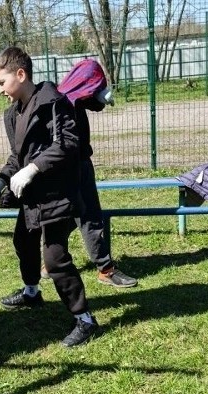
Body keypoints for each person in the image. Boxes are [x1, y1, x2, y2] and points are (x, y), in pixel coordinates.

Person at [0, 47, 98, 347]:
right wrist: (2, 180)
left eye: (2, 82)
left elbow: (68, 144)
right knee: (23, 241)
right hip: (32, 196)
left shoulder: (54, 103)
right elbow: (17, 156)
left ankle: (85, 319)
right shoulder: (13, 113)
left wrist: (32, 169)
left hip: (57, 193)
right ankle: (32, 292)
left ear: (21, 74)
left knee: (55, 258)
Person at [54, 59, 138, 288]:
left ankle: (51, 262)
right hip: (75, 168)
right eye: (96, 85)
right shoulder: (66, 105)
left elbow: (95, 105)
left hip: (71, 168)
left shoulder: (68, 99)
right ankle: (106, 270)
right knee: (89, 216)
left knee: (68, 218)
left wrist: (102, 96)